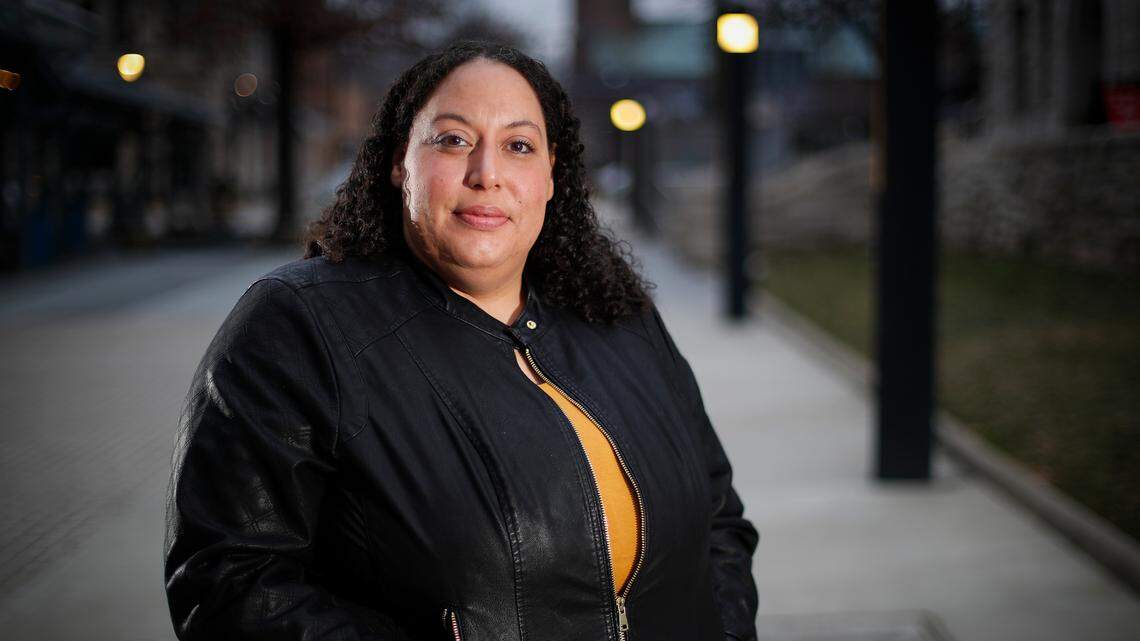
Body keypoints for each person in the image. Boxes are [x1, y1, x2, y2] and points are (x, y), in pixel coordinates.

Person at [165, 40, 759, 641]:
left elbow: (719, 521)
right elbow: (229, 584)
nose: (487, 174)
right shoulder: (301, 325)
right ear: (401, 162)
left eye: (519, 146)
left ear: (552, 176)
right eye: (453, 140)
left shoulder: (619, 314)